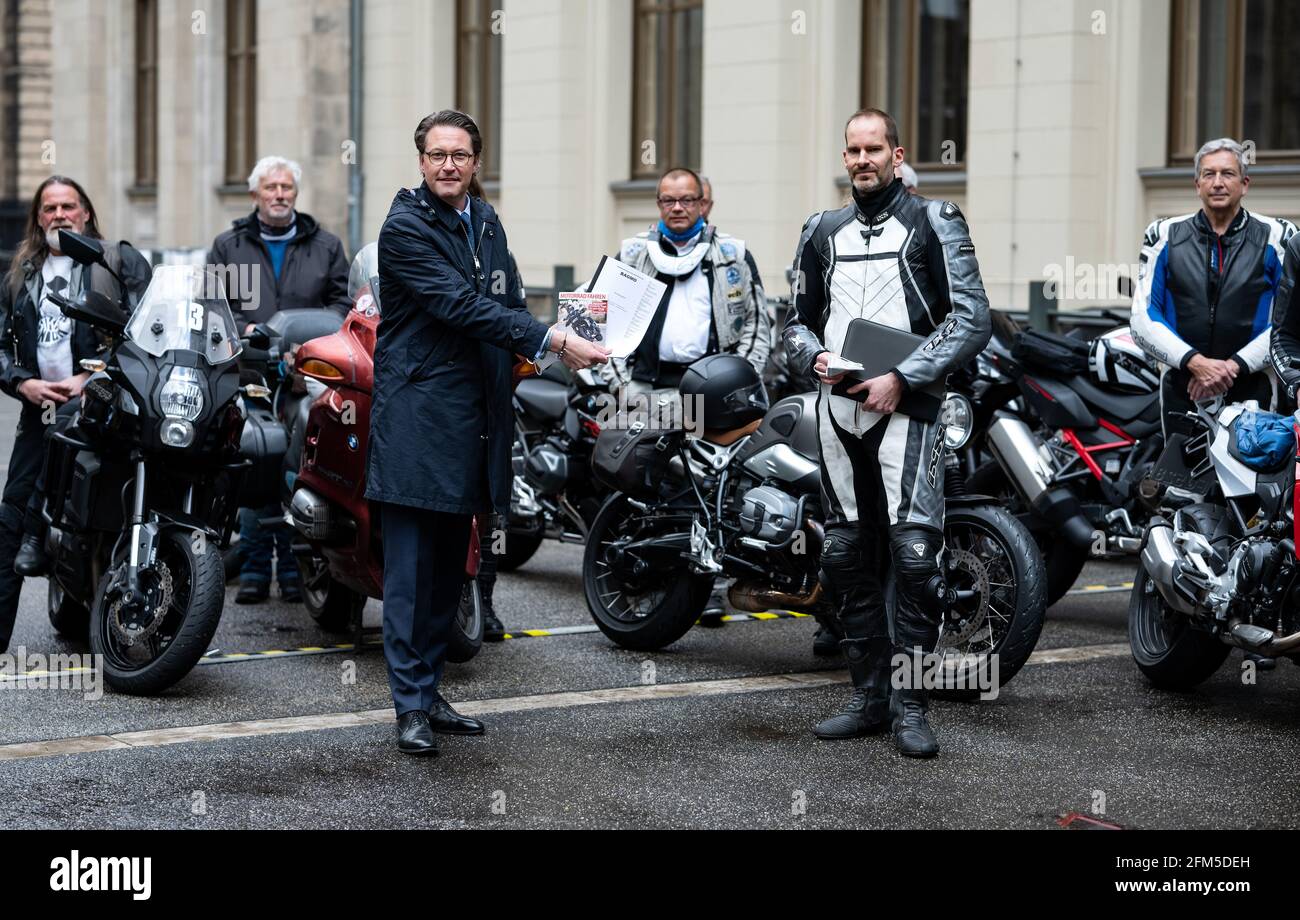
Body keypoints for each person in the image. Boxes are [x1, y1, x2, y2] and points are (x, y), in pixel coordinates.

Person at [369, 109, 607, 755]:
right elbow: (458, 304)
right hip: (420, 422)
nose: (450, 165)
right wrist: (549, 337)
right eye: (438, 154)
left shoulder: (486, 220)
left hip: (475, 419)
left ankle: (431, 690)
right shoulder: (404, 228)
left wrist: (562, 333)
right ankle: (409, 708)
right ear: (421, 162)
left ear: (477, 162)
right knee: (411, 576)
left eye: (461, 155)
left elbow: (506, 299)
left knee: (453, 570)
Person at [784, 108, 992, 758]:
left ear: (897, 155)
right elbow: (793, 322)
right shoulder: (821, 230)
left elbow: (972, 318)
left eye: (875, 148)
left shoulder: (936, 220)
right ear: (844, 157)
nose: (863, 159)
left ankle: (911, 706)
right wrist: (810, 356)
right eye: (854, 149)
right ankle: (869, 698)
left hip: (909, 409)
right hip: (838, 410)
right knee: (844, 555)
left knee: (915, 560)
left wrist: (903, 377)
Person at [601, 167, 770, 625]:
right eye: (668, 201)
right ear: (658, 205)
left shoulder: (732, 253)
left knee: (712, 488)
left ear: (703, 204)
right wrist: (619, 382)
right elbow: (606, 323)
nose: (677, 208)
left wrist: (740, 379)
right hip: (645, 385)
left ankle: (707, 584)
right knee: (645, 482)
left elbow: (758, 322)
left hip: (711, 393)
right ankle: (634, 574)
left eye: (687, 200)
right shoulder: (634, 253)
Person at [0, 176, 152, 650]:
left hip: (104, 410)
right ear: (37, 219)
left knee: (100, 513)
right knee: (10, 517)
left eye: (69, 206)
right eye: (49, 208)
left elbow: (147, 332)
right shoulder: (21, 273)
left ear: (86, 213)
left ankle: (112, 621)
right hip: (38, 414)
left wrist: (93, 377)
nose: (59, 215)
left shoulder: (118, 262)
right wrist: (21, 381)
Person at [208, 155, 352, 606]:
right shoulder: (228, 245)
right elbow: (212, 306)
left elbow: (342, 304)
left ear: (295, 193)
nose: (279, 195)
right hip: (246, 376)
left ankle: (295, 570)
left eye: (286, 187)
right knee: (256, 466)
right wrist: (246, 331)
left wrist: (309, 335)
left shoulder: (325, 245)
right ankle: (252, 571)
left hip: (305, 376)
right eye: (270, 188)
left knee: (301, 470)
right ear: (255, 195)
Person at [1131, 138, 1295, 436]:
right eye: (1209, 174)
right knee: (1182, 481)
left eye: (1227, 174)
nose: (1218, 182)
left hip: (1255, 387)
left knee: (1248, 482)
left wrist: (1231, 368)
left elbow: (1292, 320)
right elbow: (1142, 319)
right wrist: (1195, 363)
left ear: (1245, 184)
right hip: (1184, 388)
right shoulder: (1162, 234)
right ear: (1197, 184)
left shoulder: (1280, 235)